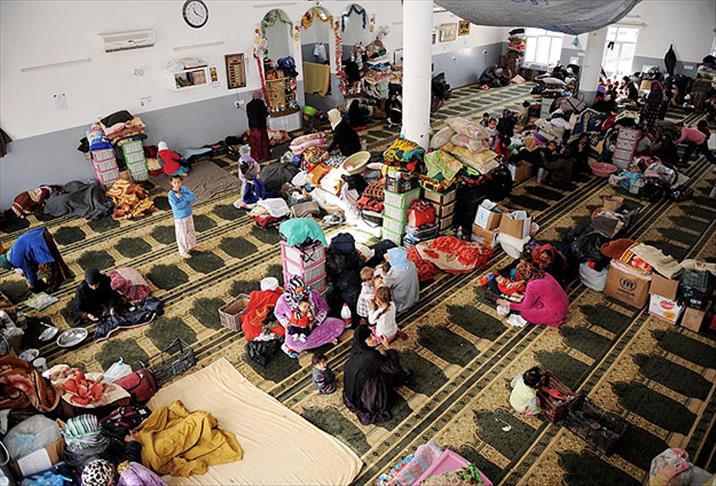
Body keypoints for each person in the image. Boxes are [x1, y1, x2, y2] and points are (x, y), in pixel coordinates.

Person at [343, 325, 409, 425]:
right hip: (368, 395)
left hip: (352, 394)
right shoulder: (372, 356)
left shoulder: (356, 351)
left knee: (381, 369)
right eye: (370, 338)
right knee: (391, 372)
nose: (374, 338)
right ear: (363, 342)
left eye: (372, 335)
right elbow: (393, 368)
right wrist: (388, 347)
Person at [273, 276, 346, 356]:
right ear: (292, 290)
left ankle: (316, 341)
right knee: (291, 342)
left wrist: (315, 321)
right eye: (298, 291)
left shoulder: (312, 293)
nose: (301, 293)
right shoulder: (283, 300)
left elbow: (324, 308)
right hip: (297, 329)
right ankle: (326, 338)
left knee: (339, 324)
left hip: (317, 325)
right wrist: (287, 324)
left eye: (303, 290)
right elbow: (277, 313)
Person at [496, 261, 569, 328]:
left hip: (557, 313)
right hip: (565, 301)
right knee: (536, 302)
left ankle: (554, 320)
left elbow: (525, 306)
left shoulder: (531, 285)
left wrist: (508, 304)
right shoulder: (545, 274)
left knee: (524, 313)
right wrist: (522, 282)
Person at [0, 227, 72, 293]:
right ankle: (65, 275)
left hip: (41, 241)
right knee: (55, 257)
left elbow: (30, 271)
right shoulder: (12, 252)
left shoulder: (16, 260)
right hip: (42, 234)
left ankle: (53, 285)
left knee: (50, 265)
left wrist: (33, 285)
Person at [380, 247, 419, 313]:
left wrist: (383, 274)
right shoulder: (412, 264)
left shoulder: (393, 274)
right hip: (414, 296)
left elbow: (385, 284)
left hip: (403, 303)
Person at [167, 175, 197, 259]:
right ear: (171, 183)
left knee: (191, 231)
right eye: (175, 182)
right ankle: (183, 251)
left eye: (179, 182)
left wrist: (183, 197)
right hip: (180, 217)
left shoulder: (184, 189)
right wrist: (186, 200)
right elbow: (177, 207)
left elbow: (193, 198)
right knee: (182, 234)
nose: (177, 184)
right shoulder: (171, 194)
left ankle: (192, 246)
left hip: (188, 214)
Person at [246, 90, 271, 162]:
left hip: (252, 127)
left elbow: (248, 116)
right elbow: (265, 114)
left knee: (254, 142)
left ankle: (256, 157)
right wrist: (267, 110)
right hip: (260, 126)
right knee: (263, 142)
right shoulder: (260, 103)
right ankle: (264, 156)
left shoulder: (248, 105)